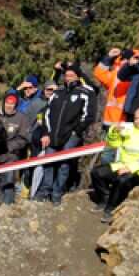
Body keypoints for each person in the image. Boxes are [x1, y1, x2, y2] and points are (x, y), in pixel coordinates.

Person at [34, 63, 96, 204]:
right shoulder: (57, 92)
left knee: (64, 165)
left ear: (78, 76)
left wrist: (76, 132)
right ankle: (45, 191)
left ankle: (57, 193)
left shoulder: (85, 92)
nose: (68, 78)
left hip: (71, 135)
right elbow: (46, 114)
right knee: (48, 162)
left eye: (71, 75)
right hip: (52, 134)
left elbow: (89, 116)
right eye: (66, 75)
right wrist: (45, 133)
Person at [92, 105, 139, 222]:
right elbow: (114, 144)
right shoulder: (129, 128)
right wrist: (114, 133)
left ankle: (111, 209)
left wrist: (130, 168)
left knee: (122, 180)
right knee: (97, 172)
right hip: (122, 164)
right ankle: (105, 199)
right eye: (135, 118)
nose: (137, 121)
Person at [1, 92, 33, 204]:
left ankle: (7, 204)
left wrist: (9, 147)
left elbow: (24, 139)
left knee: (9, 179)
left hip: (11, 155)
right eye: (7, 103)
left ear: (16, 105)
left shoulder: (22, 118)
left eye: (12, 103)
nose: (8, 106)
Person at [93, 48, 136, 128]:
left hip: (130, 121)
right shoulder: (116, 72)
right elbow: (100, 74)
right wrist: (108, 57)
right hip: (110, 120)